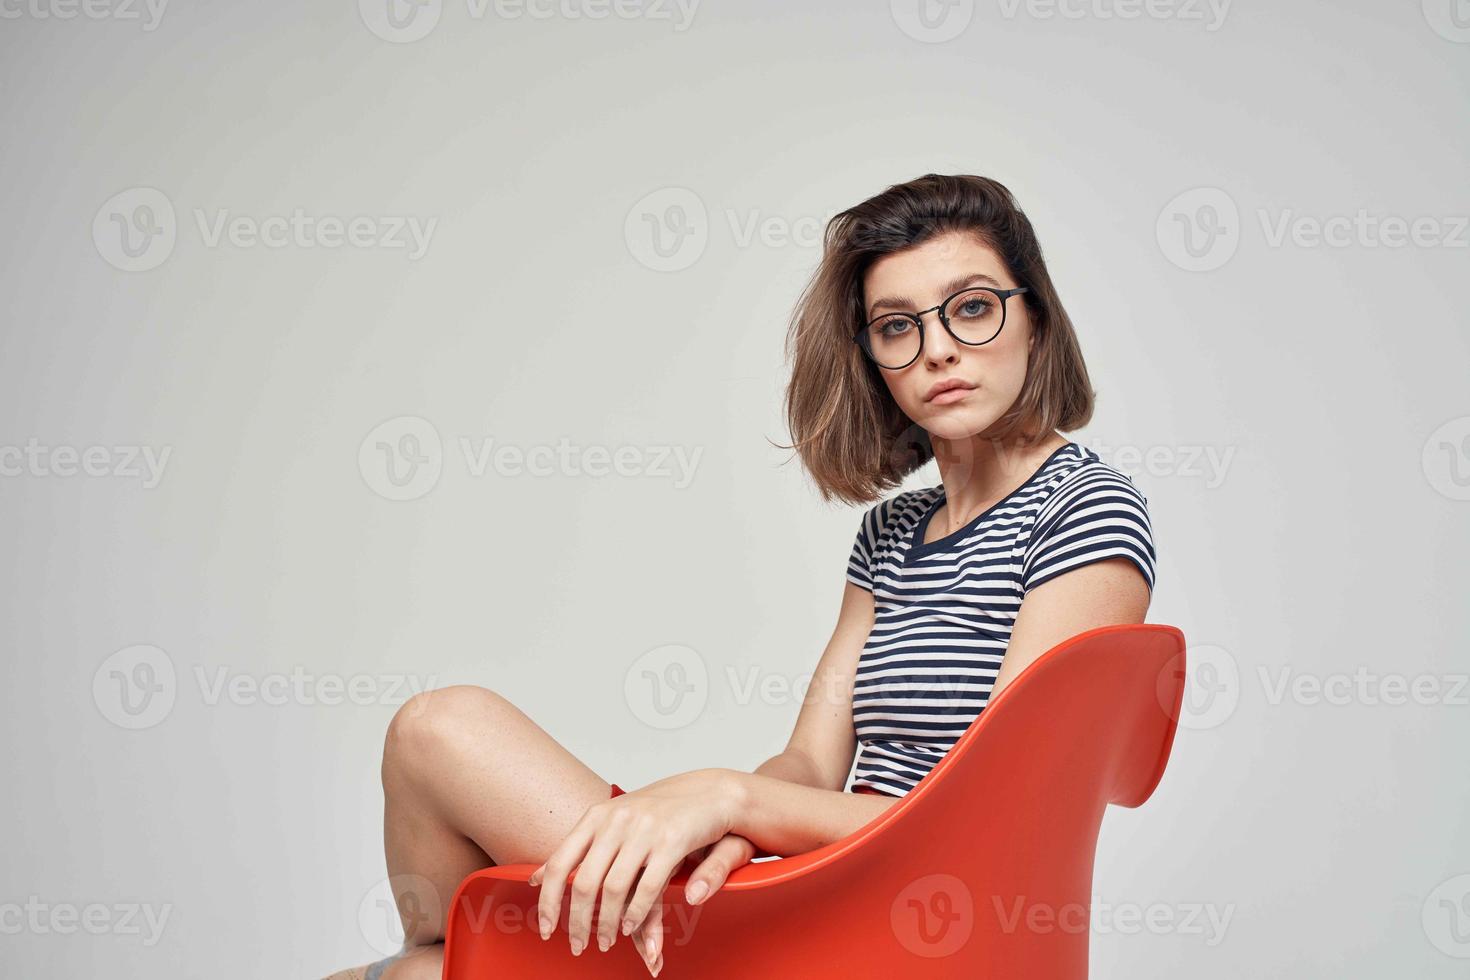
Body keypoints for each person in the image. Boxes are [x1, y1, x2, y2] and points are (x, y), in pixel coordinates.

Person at [327, 172, 1156, 979]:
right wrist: (729, 827)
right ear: (872, 358)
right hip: (815, 878)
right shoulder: (893, 533)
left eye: (972, 308)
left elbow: (1002, 818)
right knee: (432, 732)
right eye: (897, 326)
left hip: (915, 918)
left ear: (1036, 322)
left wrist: (730, 799)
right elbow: (806, 763)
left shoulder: (1084, 508)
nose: (938, 349)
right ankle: (448, 961)